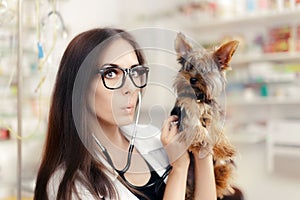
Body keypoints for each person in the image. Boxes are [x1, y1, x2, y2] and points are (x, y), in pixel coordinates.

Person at [34, 28, 217, 200]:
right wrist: (179, 168)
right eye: (111, 73)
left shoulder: (153, 139)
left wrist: (203, 149)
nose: (130, 87)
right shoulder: (68, 183)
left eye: (135, 72)